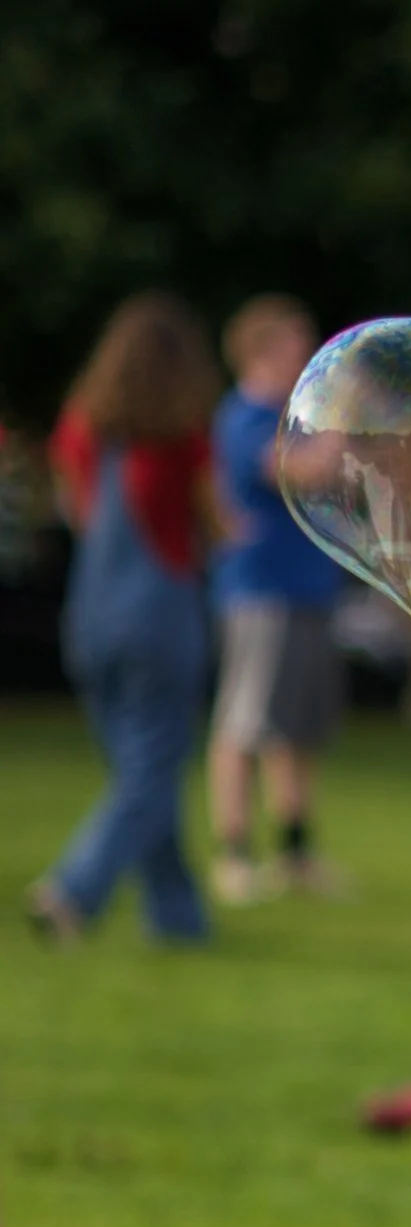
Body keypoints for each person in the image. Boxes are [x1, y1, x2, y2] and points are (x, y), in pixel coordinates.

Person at [28, 294, 224, 946]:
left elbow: (79, 513)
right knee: (150, 769)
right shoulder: (181, 431)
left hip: (90, 612)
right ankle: (74, 889)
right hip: (159, 611)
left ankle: (176, 917)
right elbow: (214, 522)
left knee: (137, 765)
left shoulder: (81, 428)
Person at [208, 294, 349, 901]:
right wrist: (346, 421)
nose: (307, 355)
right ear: (262, 350)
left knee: (297, 728)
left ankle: (295, 853)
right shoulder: (243, 416)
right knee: (245, 722)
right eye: (296, 343)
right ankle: (233, 853)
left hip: (305, 589)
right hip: (260, 593)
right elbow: (300, 471)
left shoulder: (287, 417)